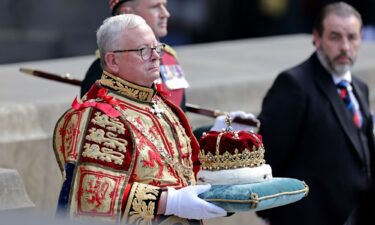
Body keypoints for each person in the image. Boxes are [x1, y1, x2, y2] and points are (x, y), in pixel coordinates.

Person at [53, 14, 226, 224]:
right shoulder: (100, 117)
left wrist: (224, 183)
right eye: (143, 50)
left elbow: (190, 169)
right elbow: (95, 197)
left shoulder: (164, 105)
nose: (155, 56)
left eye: (157, 48)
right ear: (112, 61)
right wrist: (170, 201)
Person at [257, 2, 375, 225]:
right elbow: (269, 158)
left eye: (352, 37)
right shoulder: (293, 85)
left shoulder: (359, 88)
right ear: (317, 38)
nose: (345, 47)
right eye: (335, 37)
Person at [81, 0, 188, 112]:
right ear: (127, 12)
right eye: (155, 7)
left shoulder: (169, 58)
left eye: (164, 5)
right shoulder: (102, 69)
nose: (165, 14)